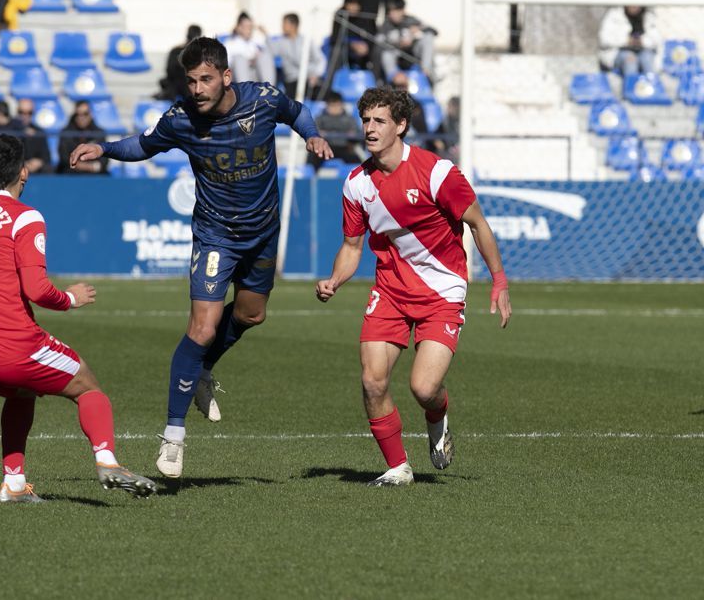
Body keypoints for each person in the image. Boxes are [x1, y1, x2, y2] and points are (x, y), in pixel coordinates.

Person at [68, 38, 333, 477]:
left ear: (226, 77)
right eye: (190, 81)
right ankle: (173, 437)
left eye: (205, 79)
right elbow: (145, 145)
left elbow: (297, 110)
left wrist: (313, 135)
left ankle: (204, 369)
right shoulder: (180, 120)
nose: (197, 89)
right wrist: (105, 148)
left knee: (250, 317)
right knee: (202, 326)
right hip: (215, 236)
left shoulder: (262, 100)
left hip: (264, 232)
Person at [0, 133, 157, 502]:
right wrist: (71, 299)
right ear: (23, 173)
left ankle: (13, 484)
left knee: (22, 394)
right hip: (12, 350)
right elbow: (37, 290)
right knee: (89, 386)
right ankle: (107, 461)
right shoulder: (25, 216)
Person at [315, 86, 511, 487]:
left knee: (424, 388)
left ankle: (437, 417)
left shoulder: (438, 173)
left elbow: (478, 224)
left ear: (401, 126)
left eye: (379, 121)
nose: (369, 129)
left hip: (442, 293)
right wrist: (336, 279)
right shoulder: (356, 184)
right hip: (389, 291)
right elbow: (352, 247)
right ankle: (398, 467)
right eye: (366, 120)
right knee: (372, 380)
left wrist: (499, 280)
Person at [598, 0, 661, 76]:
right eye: (632, 3)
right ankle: (630, 88)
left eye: (638, 3)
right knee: (630, 59)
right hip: (619, 52)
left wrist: (642, 41)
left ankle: (651, 87)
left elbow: (656, 39)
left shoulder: (648, 17)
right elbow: (604, 39)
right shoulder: (614, 15)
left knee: (647, 59)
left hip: (643, 50)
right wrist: (626, 41)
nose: (635, 6)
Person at [268, 12, 325, 100]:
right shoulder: (280, 42)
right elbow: (271, 51)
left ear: (293, 25)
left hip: (309, 78)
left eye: (284, 23)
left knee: (326, 94)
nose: (282, 26)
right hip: (292, 81)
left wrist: (316, 75)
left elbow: (320, 59)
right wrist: (265, 35)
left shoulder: (306, 41)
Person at [378, 0, 435, 81]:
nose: (393, 14)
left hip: (413, 53)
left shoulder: (411, 20)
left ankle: (426, 73)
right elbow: (379, 41)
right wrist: (398, 43)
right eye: (391, 11)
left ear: (403, 11)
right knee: (386, 54)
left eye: (396, 11)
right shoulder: (386, 24)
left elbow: (433, 30)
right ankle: (395, 78)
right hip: (397, 55)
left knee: (428, 37)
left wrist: (418, 29)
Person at [310, 91, 363, 168]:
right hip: (326, 148)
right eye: (332, 106)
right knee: (313, 157)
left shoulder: (349, 119)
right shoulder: (320, 118)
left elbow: (356, 134)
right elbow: (314, 132)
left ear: (342, 105)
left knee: (356, 161)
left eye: (337, 105)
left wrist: (352, 136)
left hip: (344, 148)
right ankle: (309, 177)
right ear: (327, 106)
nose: (335, 109)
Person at [224, 11, 276, 85]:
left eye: (251, 27)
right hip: (238, 77)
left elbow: (272, 54)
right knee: (239, 59)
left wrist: (266, 34)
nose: (249, 30)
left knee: (265, 56)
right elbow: (227, 65)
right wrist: (248, 61)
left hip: (254, 75)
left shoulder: (255, 42)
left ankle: (269, 90)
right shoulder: (230, 43)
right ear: (239, 28)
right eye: (247, 27)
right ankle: (245, 93)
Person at [57, 100, 106, 174]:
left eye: (85, 114)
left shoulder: (99, 133)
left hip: (94, 176)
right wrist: (89, 166)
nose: (81, 117)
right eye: (78, 114)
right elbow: (64, 159)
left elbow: (104, 160)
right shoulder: (66, 133)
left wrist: (83, 166)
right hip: (71, 175)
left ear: (91, 114)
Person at [156, 24, 201, 101]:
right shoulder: (202, 52)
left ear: (187, 35)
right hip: (189, 89)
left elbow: (169, 71)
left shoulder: (175, 50)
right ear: (199, 35)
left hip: (174, 88)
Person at [14, 97, 52, 173]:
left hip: (36, 171)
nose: (25, 116)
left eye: (29, 113)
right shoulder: (9, 131)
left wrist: (39, 162)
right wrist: (23, 164)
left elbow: (46, 157)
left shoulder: (39, 132)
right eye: (21, 112)